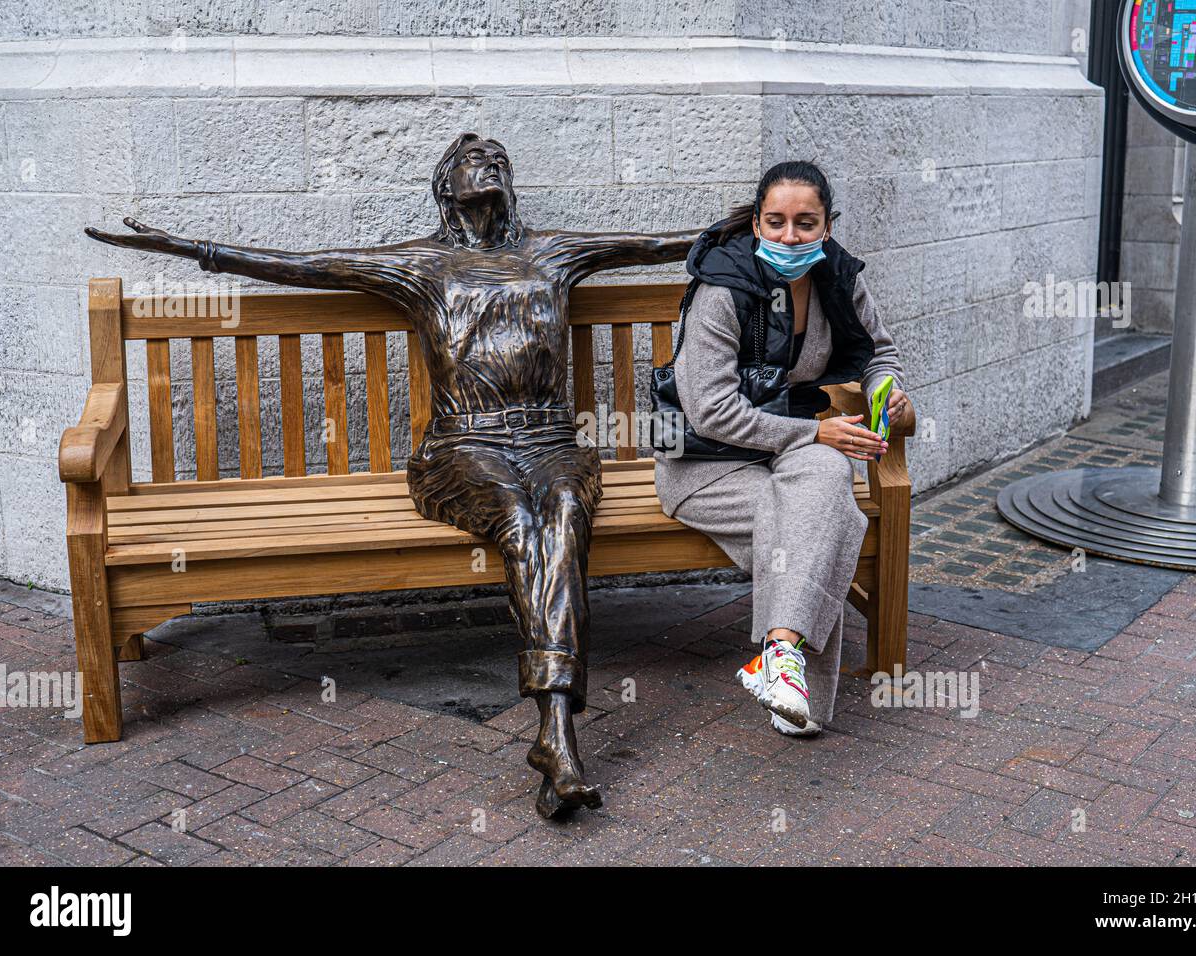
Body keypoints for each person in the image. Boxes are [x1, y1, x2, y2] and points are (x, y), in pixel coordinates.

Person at [86, 132, 705, 817]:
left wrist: (760, 220)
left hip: (555, 443)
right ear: (445, 187)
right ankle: (555, 733)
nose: (489, 164)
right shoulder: (421, 263)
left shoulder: (553, 250)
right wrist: (191, 248)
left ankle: (555, 733)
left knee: (562, 510)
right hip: (460, 452)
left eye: (499, 159)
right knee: (524, 522)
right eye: (474, 160)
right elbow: (310, 266)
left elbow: (653, 246)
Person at [654, 160, 911, 737]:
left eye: (805, 222)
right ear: (756, 222)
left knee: (820, 480)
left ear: (827, 225)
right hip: (705, 464)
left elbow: (880, 355)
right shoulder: (724, 288)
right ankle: (797, 693)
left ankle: (780, 658)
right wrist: (817, 431)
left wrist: (885, 393)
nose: (790, 236)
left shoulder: (838, 278)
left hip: (788, 450)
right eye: (775, 222)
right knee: (820, 516)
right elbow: (711, 412)